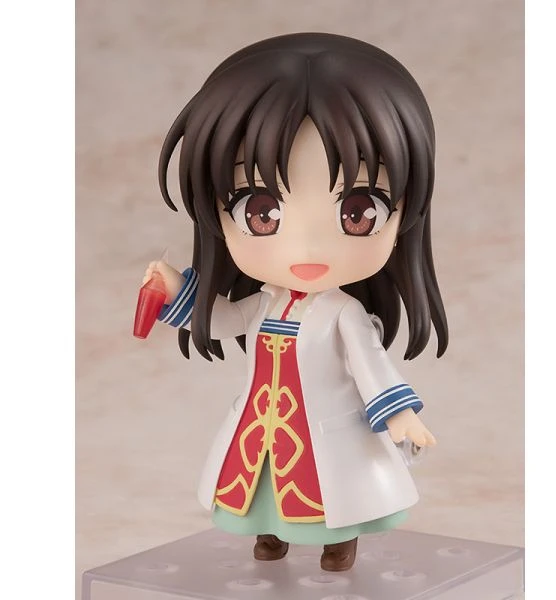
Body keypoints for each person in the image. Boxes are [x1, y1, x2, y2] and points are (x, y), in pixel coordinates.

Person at [141, 32, 448, 571]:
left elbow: (371, 368)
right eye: (260, 212)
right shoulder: (266, 300)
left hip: (327, 428)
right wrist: (177, 290)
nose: (305, 249)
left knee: (335, 487)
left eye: (358, 212)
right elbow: (226, 319)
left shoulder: (343, 314)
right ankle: (270, 533)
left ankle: (339, 540)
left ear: (405, 213)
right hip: (262, 424)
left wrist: (399, 415)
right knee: (260, 479)